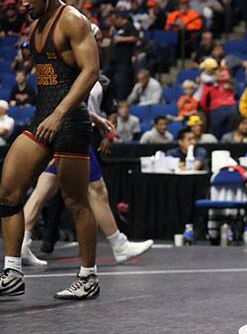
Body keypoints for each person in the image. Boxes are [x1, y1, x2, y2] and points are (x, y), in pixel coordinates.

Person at [1, 0, 100, 299]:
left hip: (69, 122)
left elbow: (91, 71)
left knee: (76, 200)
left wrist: (62, 114)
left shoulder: (71, 19)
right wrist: (52, 114)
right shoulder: (39, 23)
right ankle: (12, 271)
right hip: (43, 117)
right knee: (8, 194)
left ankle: (88, 277)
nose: (23, 4)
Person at [21, 112, 153, 266]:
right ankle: (119, 245)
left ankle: (21, 244)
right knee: (97, 190)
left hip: (55, 126)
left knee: (43, 190)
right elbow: (70, 100)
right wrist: (95, 119)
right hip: (71, 129)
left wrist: (95, 119)